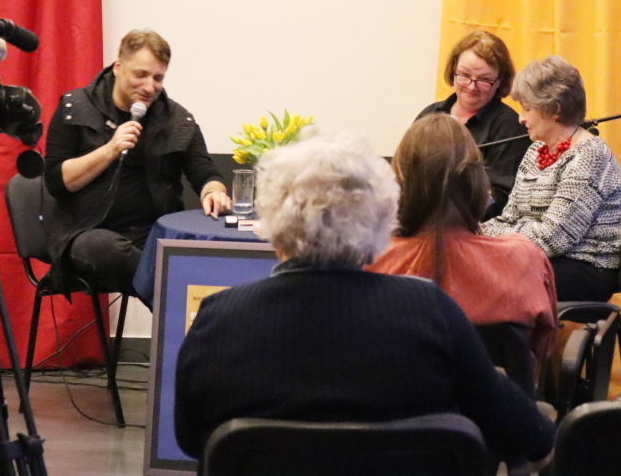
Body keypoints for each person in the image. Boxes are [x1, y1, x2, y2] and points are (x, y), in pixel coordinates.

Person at [174, 128, 555, 466]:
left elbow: (190, 439)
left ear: (272, 223)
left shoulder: (217, 318)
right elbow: (532, 436)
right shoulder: (431, 310)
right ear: (379, 220)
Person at [43, 29, 230, 304]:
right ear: (118, 67)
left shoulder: (177, 120)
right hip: (85, 231)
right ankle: (183, 302)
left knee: (204, 253)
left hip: (152, 232)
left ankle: (182, 307)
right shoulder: (76, 107)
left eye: (158, 78)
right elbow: (56, 181)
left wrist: (214, 191)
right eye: (140, 75)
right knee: (107, 249)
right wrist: (110, 149)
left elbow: (205, 171)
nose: (149, 86)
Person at [368, 113, 558, 363]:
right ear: (477, 181)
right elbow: (541, 349)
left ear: (399, 182)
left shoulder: (369, 262)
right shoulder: (525, 259)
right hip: (490, 388)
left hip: (393, 386)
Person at [482, 55, 621, 302]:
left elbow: (554, 237)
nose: (521, 118)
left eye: (527, 109)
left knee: (489, 276)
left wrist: (494, 242)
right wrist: (476, 234)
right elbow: (509, 218)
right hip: (536, 256)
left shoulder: (589, 155)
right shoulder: (535, 152)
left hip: (584, 267)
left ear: (555, 109)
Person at [416, 30, 531, 218]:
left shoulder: (509, 127)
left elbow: (500, 200)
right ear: (453, 70)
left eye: (484, 79)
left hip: (473, 226)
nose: (471, 86)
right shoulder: (429, 115)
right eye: (464, 75)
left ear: (499, 81)